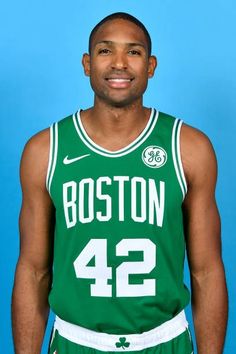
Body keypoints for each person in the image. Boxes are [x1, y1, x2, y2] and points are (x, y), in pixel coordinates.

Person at [12, 12, 228, 354]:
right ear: (87, 63)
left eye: (134, 52)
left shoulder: (189, 148)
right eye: (105, 51)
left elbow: (206, 271)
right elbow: (33, 270)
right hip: (74, 341)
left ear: (151, 65)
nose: (119, 64)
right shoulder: (45, 151)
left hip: (164, 341)